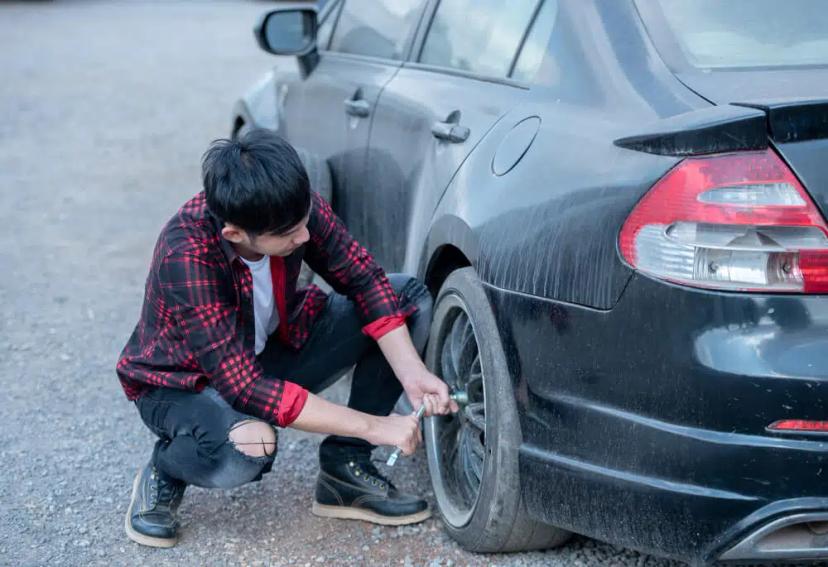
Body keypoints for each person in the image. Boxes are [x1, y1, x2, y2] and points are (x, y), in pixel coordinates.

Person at [116, 129, 458, 548]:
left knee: (406, 297)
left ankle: (344, 468)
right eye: (290, 234)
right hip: (185, 384)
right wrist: (377, 426)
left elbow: (364, 279)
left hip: (271, 349)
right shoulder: (186, 254)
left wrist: (413, 374)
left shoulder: (287, 205)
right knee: (251, 447)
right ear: (235, 235)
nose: (305, 237)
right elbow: (243, 386)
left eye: (303, 222)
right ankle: (166, 468)